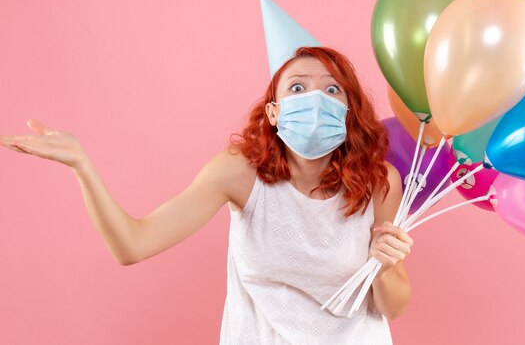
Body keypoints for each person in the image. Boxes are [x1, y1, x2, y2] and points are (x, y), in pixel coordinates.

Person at [0, 46, 414, 344]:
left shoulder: (379, 183)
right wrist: (82, 165)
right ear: (274, 112)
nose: (314, 101)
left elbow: (392, 306)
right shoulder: (239, 172)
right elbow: (132, 244)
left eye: (331, 91)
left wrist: (384, 264)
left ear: (348, 110)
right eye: (297, 88)